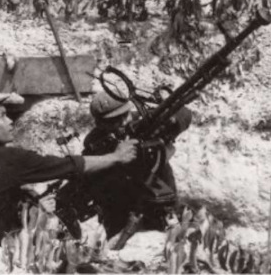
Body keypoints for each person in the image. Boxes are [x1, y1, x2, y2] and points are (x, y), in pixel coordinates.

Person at [0, 86, 138, 245]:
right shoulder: (9, 158)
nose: (10, 122)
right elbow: (69, 166)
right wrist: (116, 157)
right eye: (3, 116)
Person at [80, 90, 193, 239]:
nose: (121, 123)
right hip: (121, 201)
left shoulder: (145, 121)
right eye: (113, 121)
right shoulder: (95, 141)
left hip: (156, 188)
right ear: (101, 123)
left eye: (123, 116)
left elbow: (184, 115)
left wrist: (171, 119)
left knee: (168, 238)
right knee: (115, 243)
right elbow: (90, 172)